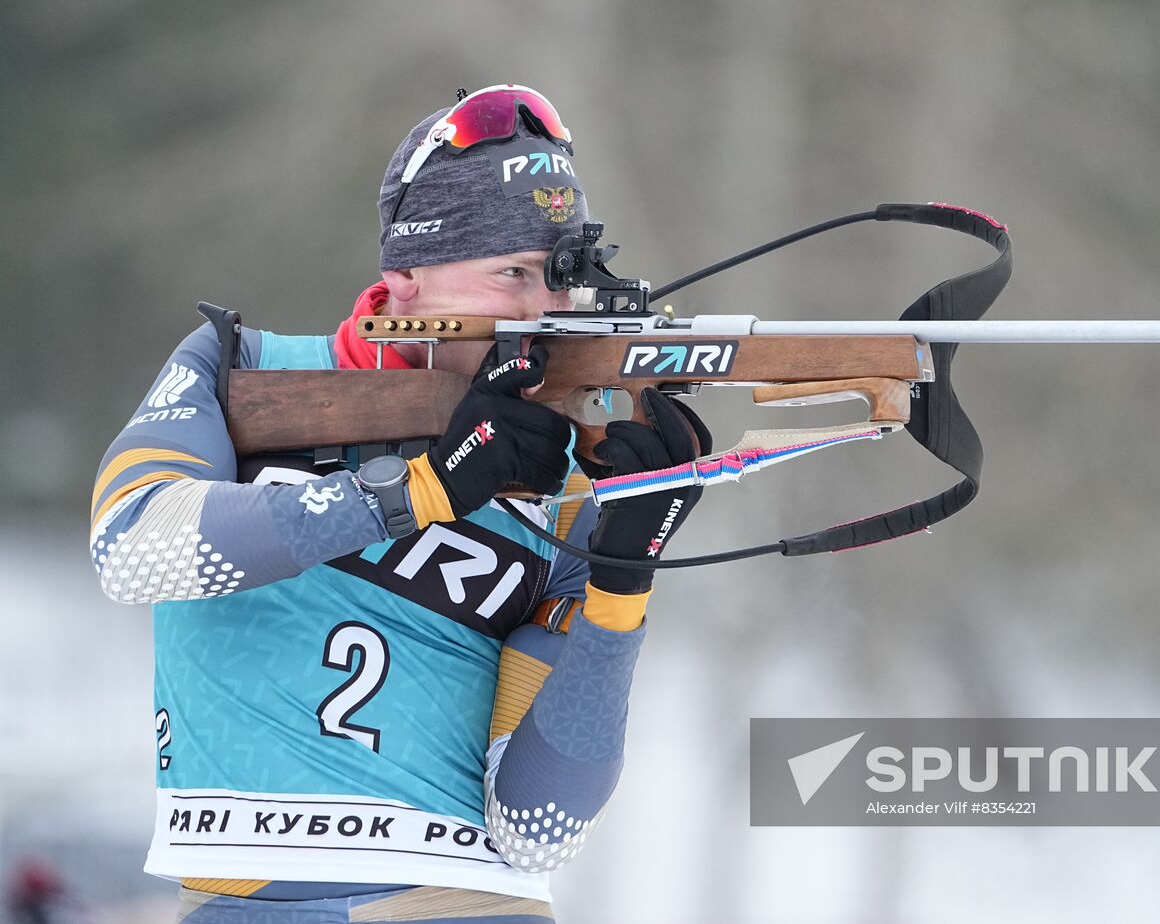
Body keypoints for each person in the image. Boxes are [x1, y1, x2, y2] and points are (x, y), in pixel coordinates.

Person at [89, 84, 708, 924]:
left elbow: (539, 828)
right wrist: (418, 490)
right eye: (512, 274)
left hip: (467, 901)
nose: (541, 314)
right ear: (406, 278)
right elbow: (131, 549)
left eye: (559, 282)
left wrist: (622, 584)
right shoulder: (245, 368)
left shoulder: (572, 466)